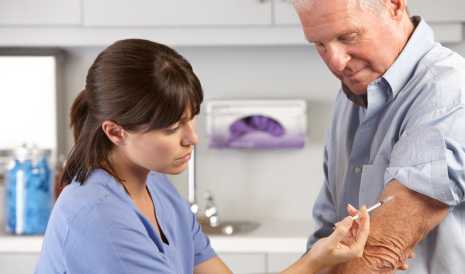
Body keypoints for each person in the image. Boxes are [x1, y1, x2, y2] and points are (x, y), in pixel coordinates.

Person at [34, 39, 370, 274]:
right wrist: (315, 261)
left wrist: (319, 258)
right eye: (171, 128)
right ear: (116, 132)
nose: (192, 138)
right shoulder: (99, 218)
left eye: (191, 118)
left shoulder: (158, 188)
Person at [292, 0, 465, 273]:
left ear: (394, 5)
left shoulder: (448, 90)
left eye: (348, 37)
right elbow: (328, 237)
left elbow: (380, 251)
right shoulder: (349, 97)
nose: (336, 62)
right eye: (319, 44)